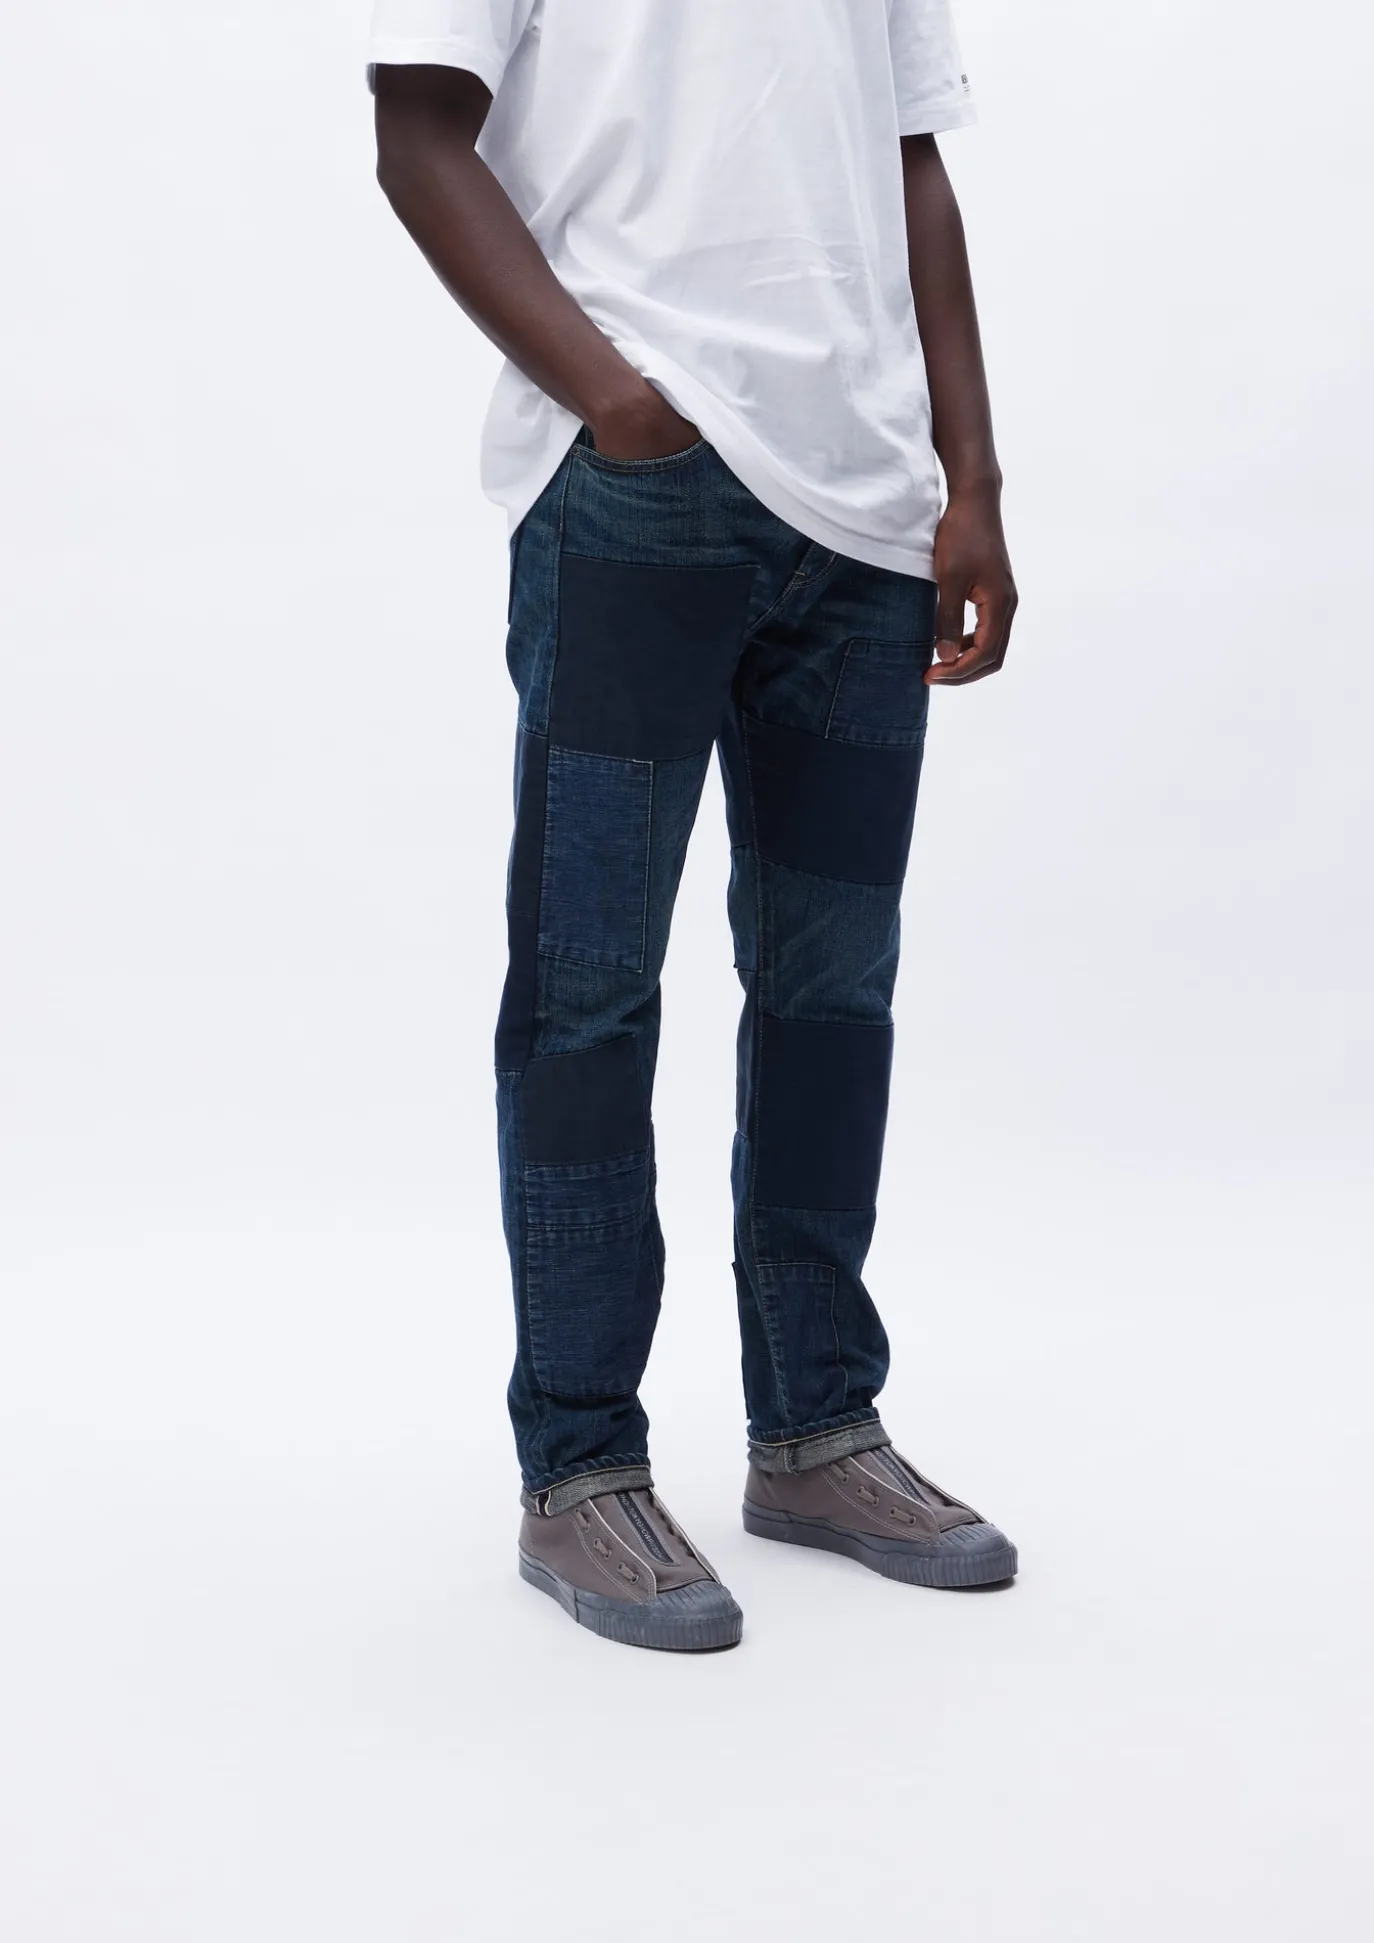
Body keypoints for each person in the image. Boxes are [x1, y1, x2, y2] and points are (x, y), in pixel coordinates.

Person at [369, 0, 1019, 1652]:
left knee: (830, 990)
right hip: (634, 498)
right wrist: (616, 401)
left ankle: (817, 1433)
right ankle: (579, 1464)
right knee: (586, 993)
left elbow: (909, 159)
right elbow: (417, 134)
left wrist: (971, 477)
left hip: (863, 516)